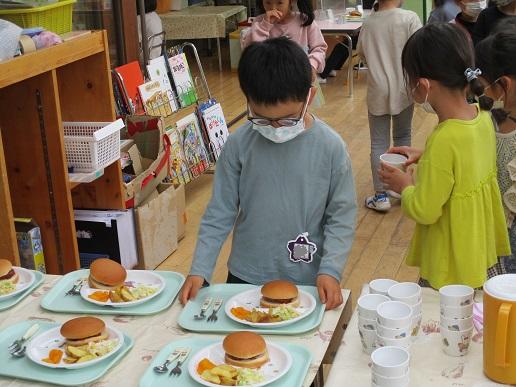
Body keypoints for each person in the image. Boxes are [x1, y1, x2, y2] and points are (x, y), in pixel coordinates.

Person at [179, 37, 357, 310]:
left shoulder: (330, 147)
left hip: (308, 276)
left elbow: (341, 217)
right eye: (261, 119)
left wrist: (331, 269)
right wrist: (200, 268)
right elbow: (219, 213)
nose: (275, 128)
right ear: (249, 101)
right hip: (246, 275)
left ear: (309, 96)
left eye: (287, 119)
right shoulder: (239, 144)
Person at [379, 23, 510, 289]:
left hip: (451, 263)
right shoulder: (482, 116)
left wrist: (404, 187)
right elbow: (465, 163)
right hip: (478, 251)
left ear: (424, 84)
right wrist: (426, 157)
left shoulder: (443, 138)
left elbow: (425, 210)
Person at [358, 0, 422, 212]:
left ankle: (381, 196)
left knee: (378, 143)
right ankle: (401, 188)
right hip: (404, 88)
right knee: (403, 138)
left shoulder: (368, 23)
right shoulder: (409, 18)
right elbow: (420, 52)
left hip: (377, 89)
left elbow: (362, 54)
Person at [476, 30, 516, 273]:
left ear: (504, 85)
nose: (483, 95)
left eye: (484, 87)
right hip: (491, 239)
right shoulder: (491, 119)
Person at [241, 0, 327, 77]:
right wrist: (264, 26)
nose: (273, 8)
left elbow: (319, 48)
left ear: (291, 1)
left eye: (280, 3)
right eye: (268, 2)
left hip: (301, 80)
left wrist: (312, 65)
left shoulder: (305, 21)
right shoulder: (259, 22)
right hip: (270, 82)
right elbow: (251, 52)